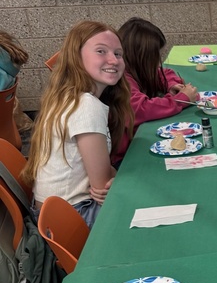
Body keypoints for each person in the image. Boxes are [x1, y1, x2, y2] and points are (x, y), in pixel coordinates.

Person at [21, 21, 133, 228]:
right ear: (77, 57)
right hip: (72, 216)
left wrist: (115, 176)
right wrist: (117, 177)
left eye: (118, 54)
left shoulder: (69, 96)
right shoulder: (86, 106)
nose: (113, 60)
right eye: (101, 51)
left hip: (53, 213)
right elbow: (102, 187)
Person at [111, 18, 197, 164]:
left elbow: (161, 73)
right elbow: (141, 109)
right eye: (155, 56)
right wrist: (180, 100)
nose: (158, 61)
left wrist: (171, 84)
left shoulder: (134, 68)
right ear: (142, 57)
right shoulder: (121, 79)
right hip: (124, 157)